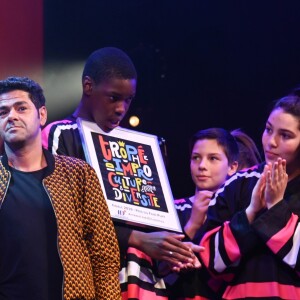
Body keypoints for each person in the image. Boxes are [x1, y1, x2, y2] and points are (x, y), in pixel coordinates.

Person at [42, 46, 200, 299]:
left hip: (139, 279)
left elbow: (153, 221)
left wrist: (172, 250)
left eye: (128, 100)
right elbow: (63, 216)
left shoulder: (139, 148)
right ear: (88, 86)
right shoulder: (62, 134)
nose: (121, 108)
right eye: (113, 97)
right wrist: (136, 238)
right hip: (87, 277)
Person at [0, 76, 121, 300]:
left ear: (42, 115)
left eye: (21, 108)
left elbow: (105, 257)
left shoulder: (78, 174)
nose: (12, 116)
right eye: (3, 112)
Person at [198, 93, 300, 299]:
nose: (271, 142)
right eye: (268, 129)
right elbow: (208, 260)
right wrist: (251, 211)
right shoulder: (239, 184)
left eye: (286, 135)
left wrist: (276, 206)